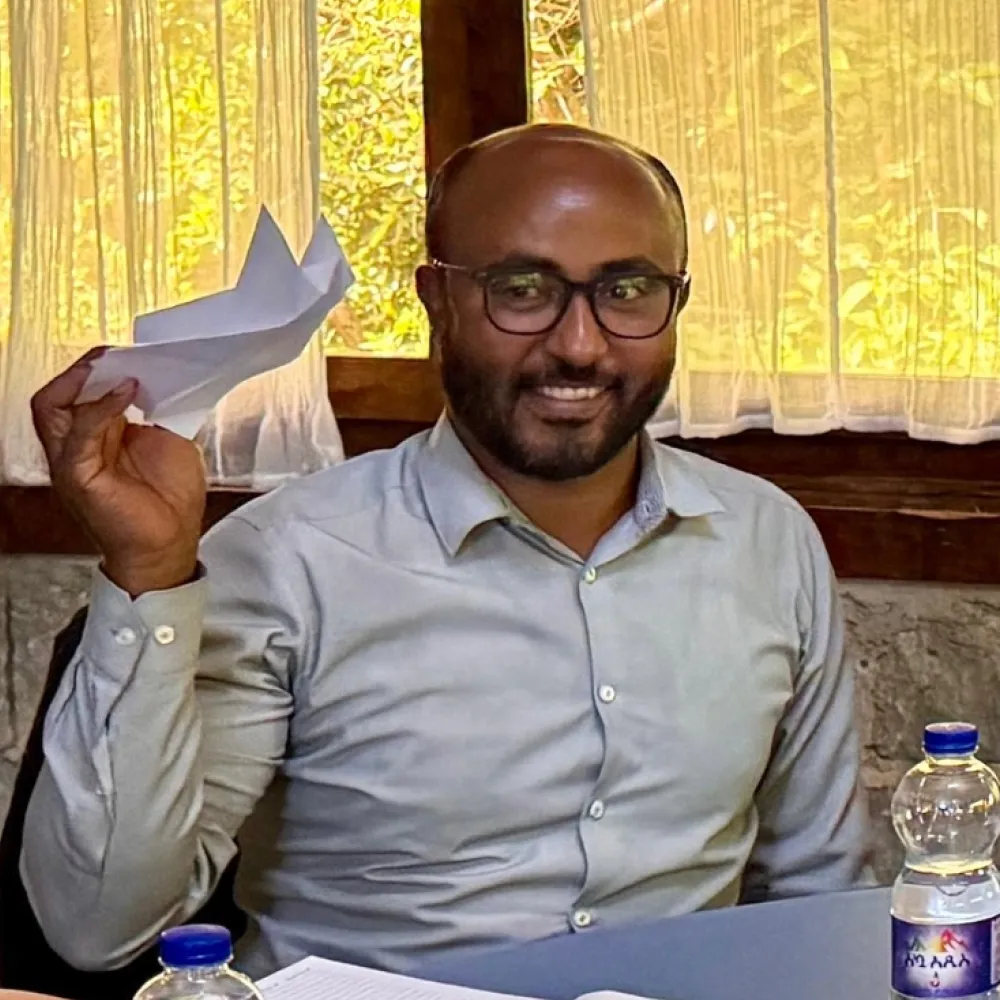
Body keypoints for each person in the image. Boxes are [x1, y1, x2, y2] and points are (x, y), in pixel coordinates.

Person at [22, 123, 871, 979]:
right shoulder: (292, 561)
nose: (580, 344)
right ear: (438, 299)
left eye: (628, 290)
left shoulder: (766, 540)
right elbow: (101, 931)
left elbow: (818, 894)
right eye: (523, 288)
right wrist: (150, 577)